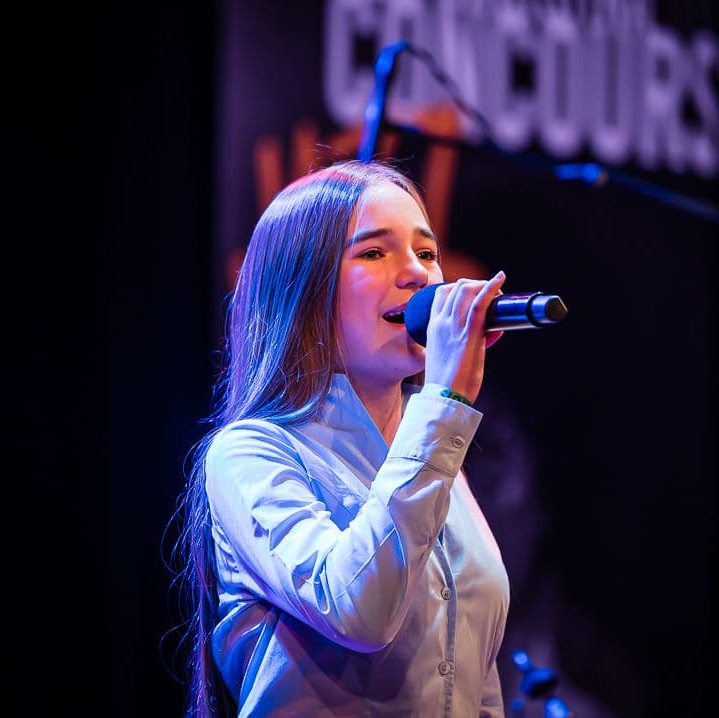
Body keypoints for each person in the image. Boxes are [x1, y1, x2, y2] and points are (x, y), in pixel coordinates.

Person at [176, 159, 511, 717]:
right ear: (304, 290)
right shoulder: (250, 454)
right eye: (375, 253)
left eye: (427, 252)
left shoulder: (438, 456)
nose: (418, 274)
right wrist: (445, 404)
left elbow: (478, 683)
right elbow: (357, 610)